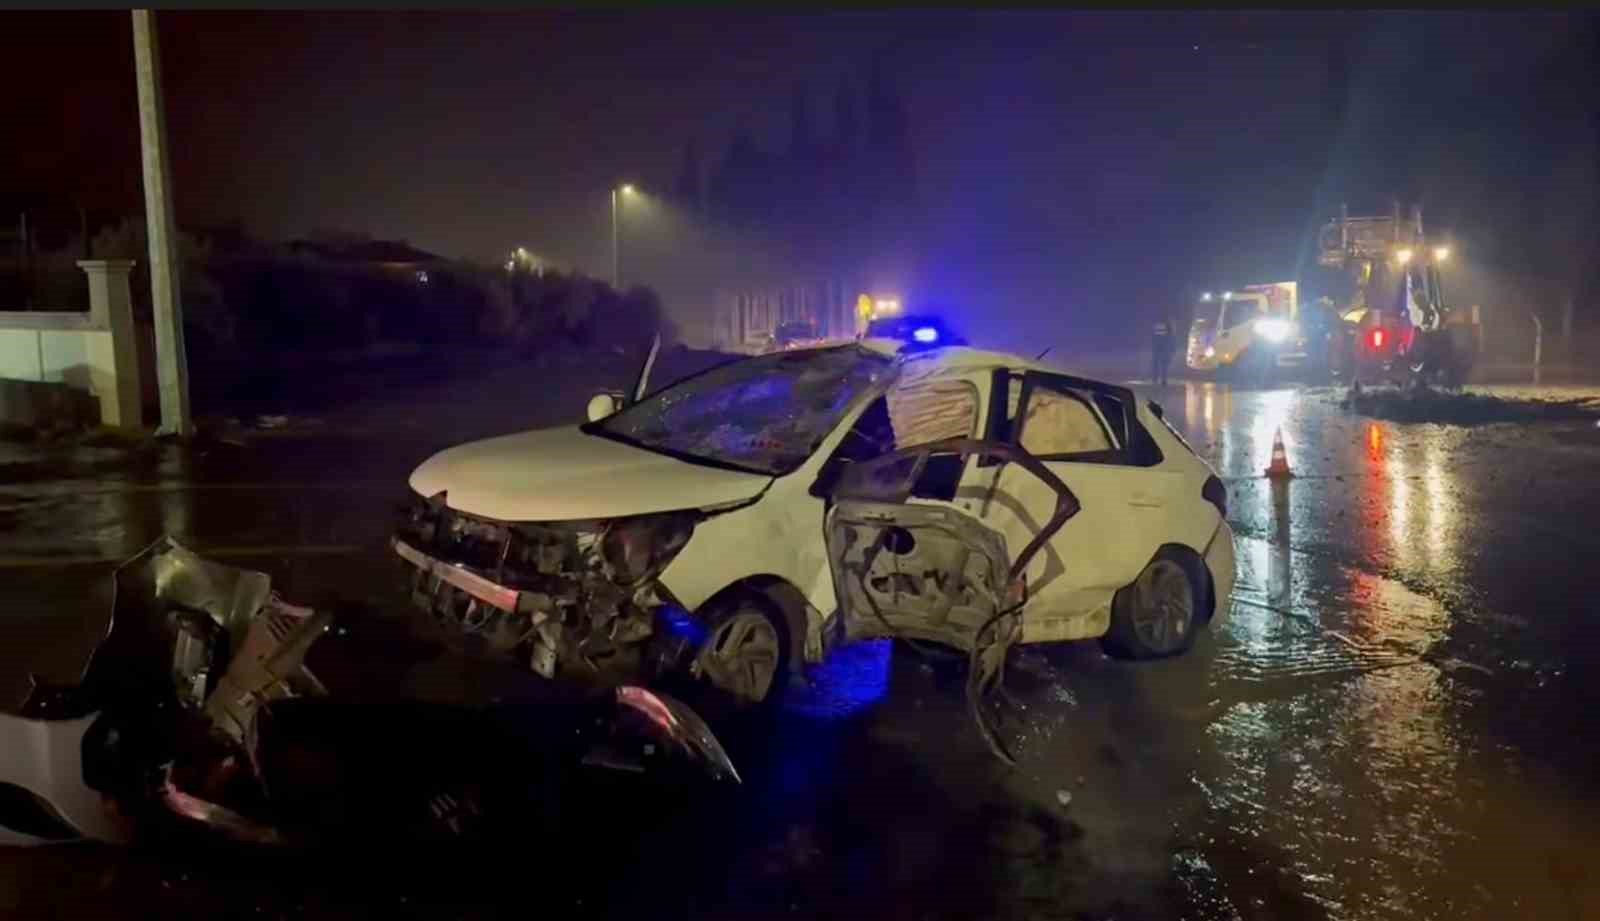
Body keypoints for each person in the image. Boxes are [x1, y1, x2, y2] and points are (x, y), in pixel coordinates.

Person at [1150, 314, 1175, 386]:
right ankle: (1162, 379)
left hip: (1157, 345)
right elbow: (1170, 335)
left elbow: (1152, 334)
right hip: (1163, 345)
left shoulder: (1156, 323)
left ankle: (1156, 379)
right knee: (1163, 363)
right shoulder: (1168, 324)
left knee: (1156, 363)